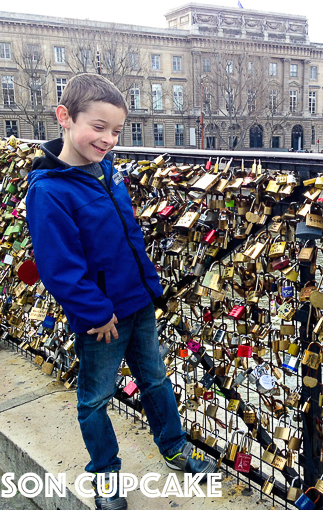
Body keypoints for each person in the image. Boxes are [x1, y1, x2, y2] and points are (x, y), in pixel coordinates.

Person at [26, 74, 217, 510]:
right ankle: (106, 476)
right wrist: (95, 313)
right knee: (94, 398)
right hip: (101, 318)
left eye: (116, 131)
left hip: (137, 302)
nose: (108, 139)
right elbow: (59, 269)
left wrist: (151, 287)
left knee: (155, 380)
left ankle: (175, 448)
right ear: (64, 118)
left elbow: (129, 236)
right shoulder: (49, 191)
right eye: (98, 127)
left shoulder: (105, 171)